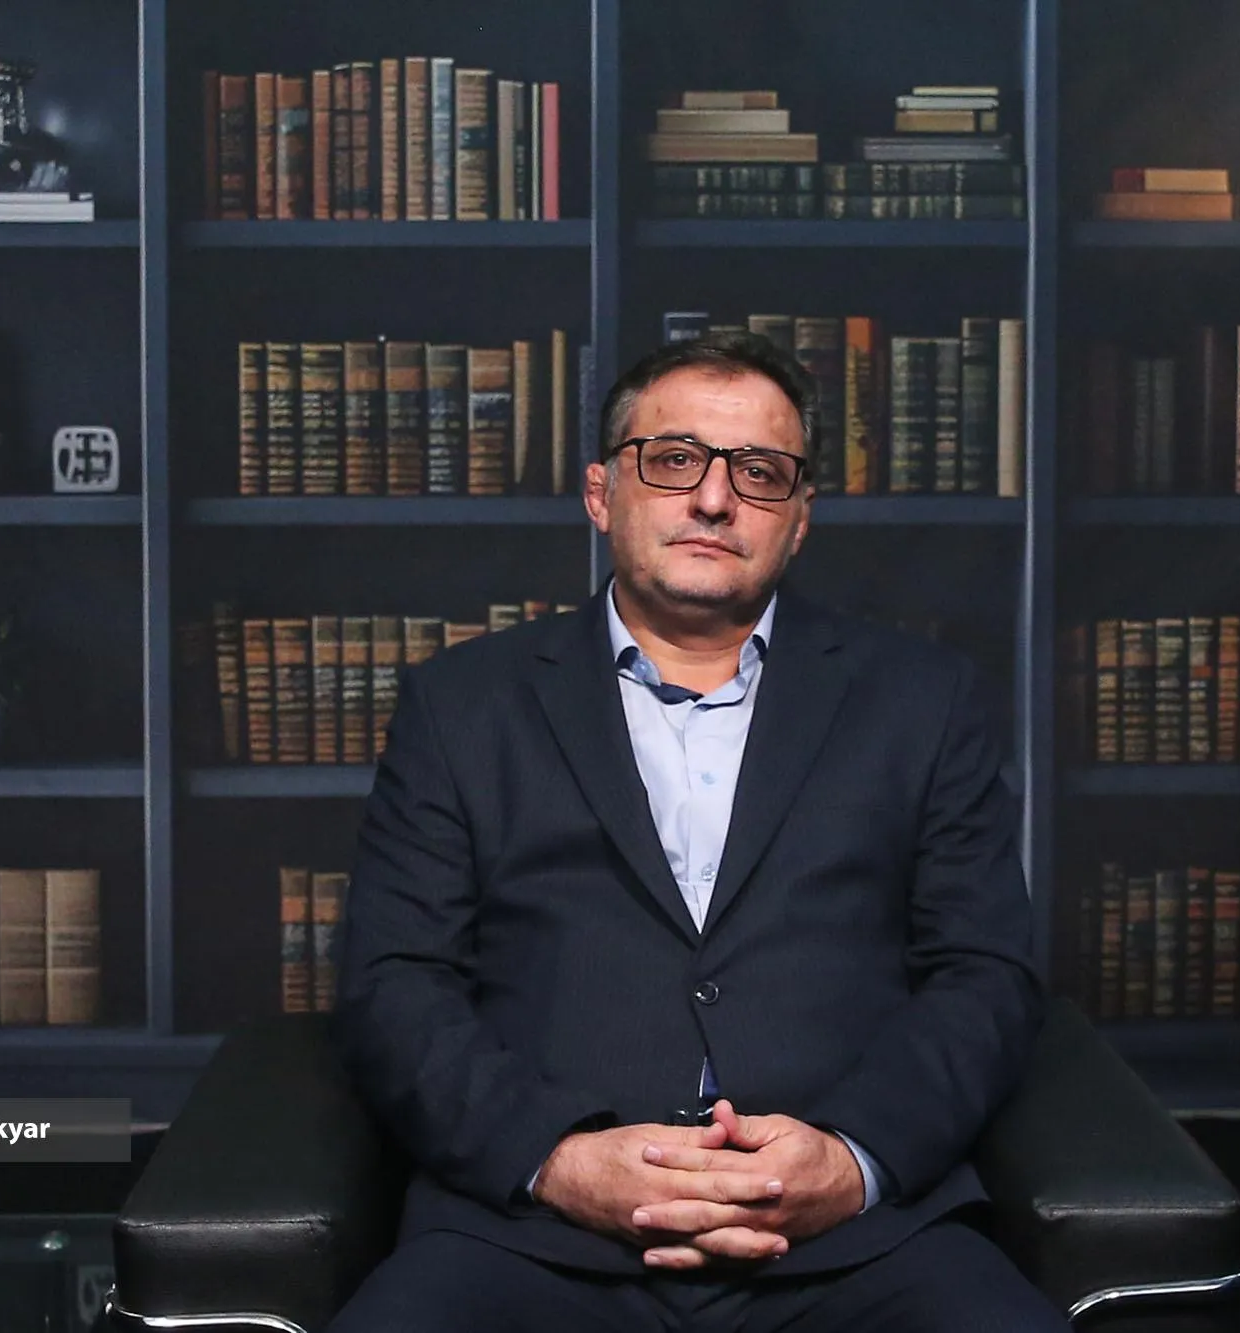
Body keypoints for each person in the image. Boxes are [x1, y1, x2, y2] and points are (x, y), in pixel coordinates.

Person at [328, 332, 1066, 1332]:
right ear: (601, 494)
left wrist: (851, 1160)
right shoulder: (463, 705)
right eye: (674, 459)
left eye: (758, 473)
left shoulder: (921, 701)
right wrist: (557, 1159)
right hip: (533, 1233)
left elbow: (984, 974)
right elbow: (393, 982)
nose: (714, 498)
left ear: (798, 520)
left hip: (855, 1238)